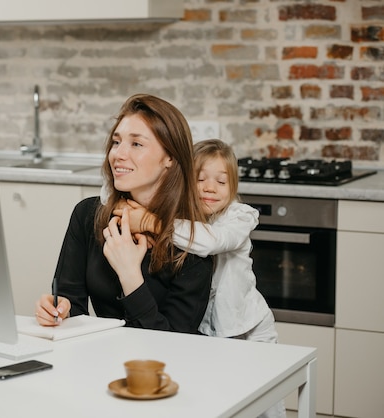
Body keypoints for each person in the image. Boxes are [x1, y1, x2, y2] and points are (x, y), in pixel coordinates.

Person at [107, 138, 284, 418]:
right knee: (224, 402)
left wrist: (150, 222)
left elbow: (212, 242)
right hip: (208, 332)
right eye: (200, 179)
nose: (210, 188)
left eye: (221, 182)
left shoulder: (239, 217)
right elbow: (112, 190)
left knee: (265, 406)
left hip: (248, 328)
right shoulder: (182, 217)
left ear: (233, 187)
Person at [35, 94, 213, 333]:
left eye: (136, 144)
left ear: (170, 157)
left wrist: (129, 274)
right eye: (117, 142)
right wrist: (61, 310)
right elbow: (70, 300)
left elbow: (175, 342)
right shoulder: (88, 214)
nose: (118, 154)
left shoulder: (194, 242)